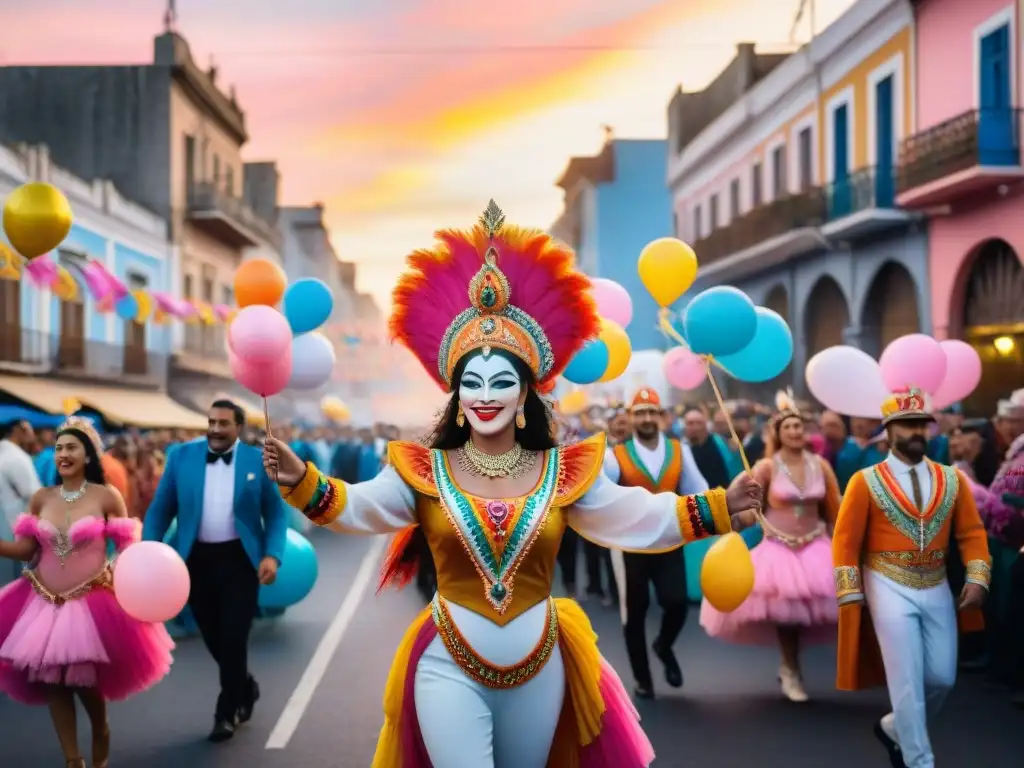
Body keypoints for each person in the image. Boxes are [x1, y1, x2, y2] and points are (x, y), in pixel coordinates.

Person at [262, 201, 763, 768]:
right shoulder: (426, 470)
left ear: (525, 396)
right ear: (455, 395)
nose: (484, 394)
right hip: (447, 659)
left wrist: (724, 504)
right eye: (470, 382)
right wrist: (302, 479)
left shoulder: (564, 472)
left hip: (540, 659)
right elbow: (358, 508)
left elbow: (635, 516)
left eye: (501, 381)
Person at [0, 417, 174, 768]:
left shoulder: (106, 496)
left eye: (71, 447)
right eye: (59, 447)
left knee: (84, 684)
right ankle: (72, 760)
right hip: (42, 602)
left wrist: (125, 580)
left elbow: (128, 547)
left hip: (91, 601)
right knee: (53, 683)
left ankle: (100, 730)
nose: (63, 453)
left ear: (88, 453)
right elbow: (26, 551)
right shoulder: (41, 498)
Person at [832, 387, 991, 768]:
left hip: (936, 582)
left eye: (921, 423)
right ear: (888, 432)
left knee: (942, 678)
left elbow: (971, 533)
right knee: (906, 680)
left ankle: (893, 728)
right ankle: (920, 760)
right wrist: (850, 592)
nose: (916, 431)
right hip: (885, 581)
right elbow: (845, 539)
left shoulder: (952, 480)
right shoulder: (865, 480)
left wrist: (977, 576)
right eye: (906, 424)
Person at [143, 400, 288, 742]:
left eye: (224, 423)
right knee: (214, 638)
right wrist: (150, 549)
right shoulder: (181, 456)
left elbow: (276, 513)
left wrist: (272, 555)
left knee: (234, 637)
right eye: (211, 422)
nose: (216, 429)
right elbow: (160, 510)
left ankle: (226, 711)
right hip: (193, 562)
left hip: (240, 562)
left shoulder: (257, 460)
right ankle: (246, 685)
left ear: (239, 427)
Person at [700, 390, 841, 702]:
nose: (794, 432)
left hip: (815, 548)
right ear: (777, 433)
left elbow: (834, 508)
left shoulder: (821, 466)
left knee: (806, 616)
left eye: (799, 427)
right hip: (779, 550)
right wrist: (738, 518)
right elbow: (747, 505)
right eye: (788, 427)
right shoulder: (766, 467)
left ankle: (790, 663)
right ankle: (792, 670)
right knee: (787, 617)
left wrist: (841, 542)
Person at [601, 387, 710, 699]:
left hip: (667, 539)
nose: (646, 418)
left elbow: (697, 489)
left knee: (676, 603)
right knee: (634, 611)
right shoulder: (616, 454)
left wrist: (718, 512)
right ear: (631, 418)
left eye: (652, 412)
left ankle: (663, 644)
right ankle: (643, 679)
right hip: (629, 544)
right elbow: (602, 489)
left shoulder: (679, 449)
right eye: (640, 413)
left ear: (661, 417)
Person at [0, 419, 42, 581]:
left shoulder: (5, 454)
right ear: (20, 429)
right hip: (13, 535)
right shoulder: (16, 458)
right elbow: (36, 497)